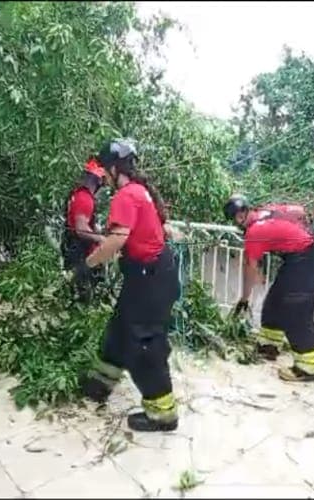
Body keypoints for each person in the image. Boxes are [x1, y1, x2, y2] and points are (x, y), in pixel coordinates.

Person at [76, 139, 181, 432]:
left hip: (150, 278)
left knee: (144, 345)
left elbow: (116, 240)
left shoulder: (126, 196)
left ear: (112, 168)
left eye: (104, 170)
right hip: (149, 276)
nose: (104, 178)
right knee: (120, 329)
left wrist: (89, 264)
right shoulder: (140, 191)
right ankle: (99, 384)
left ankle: (163, 414)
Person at [224, 194, 314, 382]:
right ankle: (268, 346)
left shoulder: (254, 233)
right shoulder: (266, 211)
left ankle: (307, 368)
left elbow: (250, 270)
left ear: (238, 217)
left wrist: (244, 299)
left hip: (306, 259)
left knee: (296, 311)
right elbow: (300, 211)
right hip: (300, 256)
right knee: (275, 301)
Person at [62, 157, 107, 302]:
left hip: (73, 248)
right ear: (99, 179)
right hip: (80, 253)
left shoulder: (78, 194)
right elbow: (81, 229)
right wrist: (101, 239)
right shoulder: (84, 198)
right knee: (83, 295)